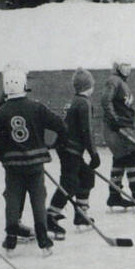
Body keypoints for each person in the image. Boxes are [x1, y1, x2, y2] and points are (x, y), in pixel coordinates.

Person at [0, 67, 67, 254]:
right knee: (38, 201)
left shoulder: (1, 112)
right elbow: (60, 126)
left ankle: (10, 240)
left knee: (13, 200)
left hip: (13, 166)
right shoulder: (37, 107)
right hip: (35, 165)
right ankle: (44, 242)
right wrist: (54, 144)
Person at [46, 68, 102, 239]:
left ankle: (81, 214)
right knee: (69, 183)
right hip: (70, 148)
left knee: (86, 175)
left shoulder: (75, 101)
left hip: (67, 148)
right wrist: (93, 153)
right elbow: (87, 130)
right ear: (89, 86)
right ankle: (50, 216)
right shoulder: (84, 103)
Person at [101, 59, 135, 209]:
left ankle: (114, 196)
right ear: (117, 67)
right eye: (124, 66)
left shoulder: (121, 82)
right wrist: (114, 120)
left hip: (121, 127)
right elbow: (106, 100)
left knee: (121, 159)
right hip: (116, 128)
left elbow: (124, 107)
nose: (128, 69)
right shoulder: (114, 81)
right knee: (134, 154)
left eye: (129, 66)